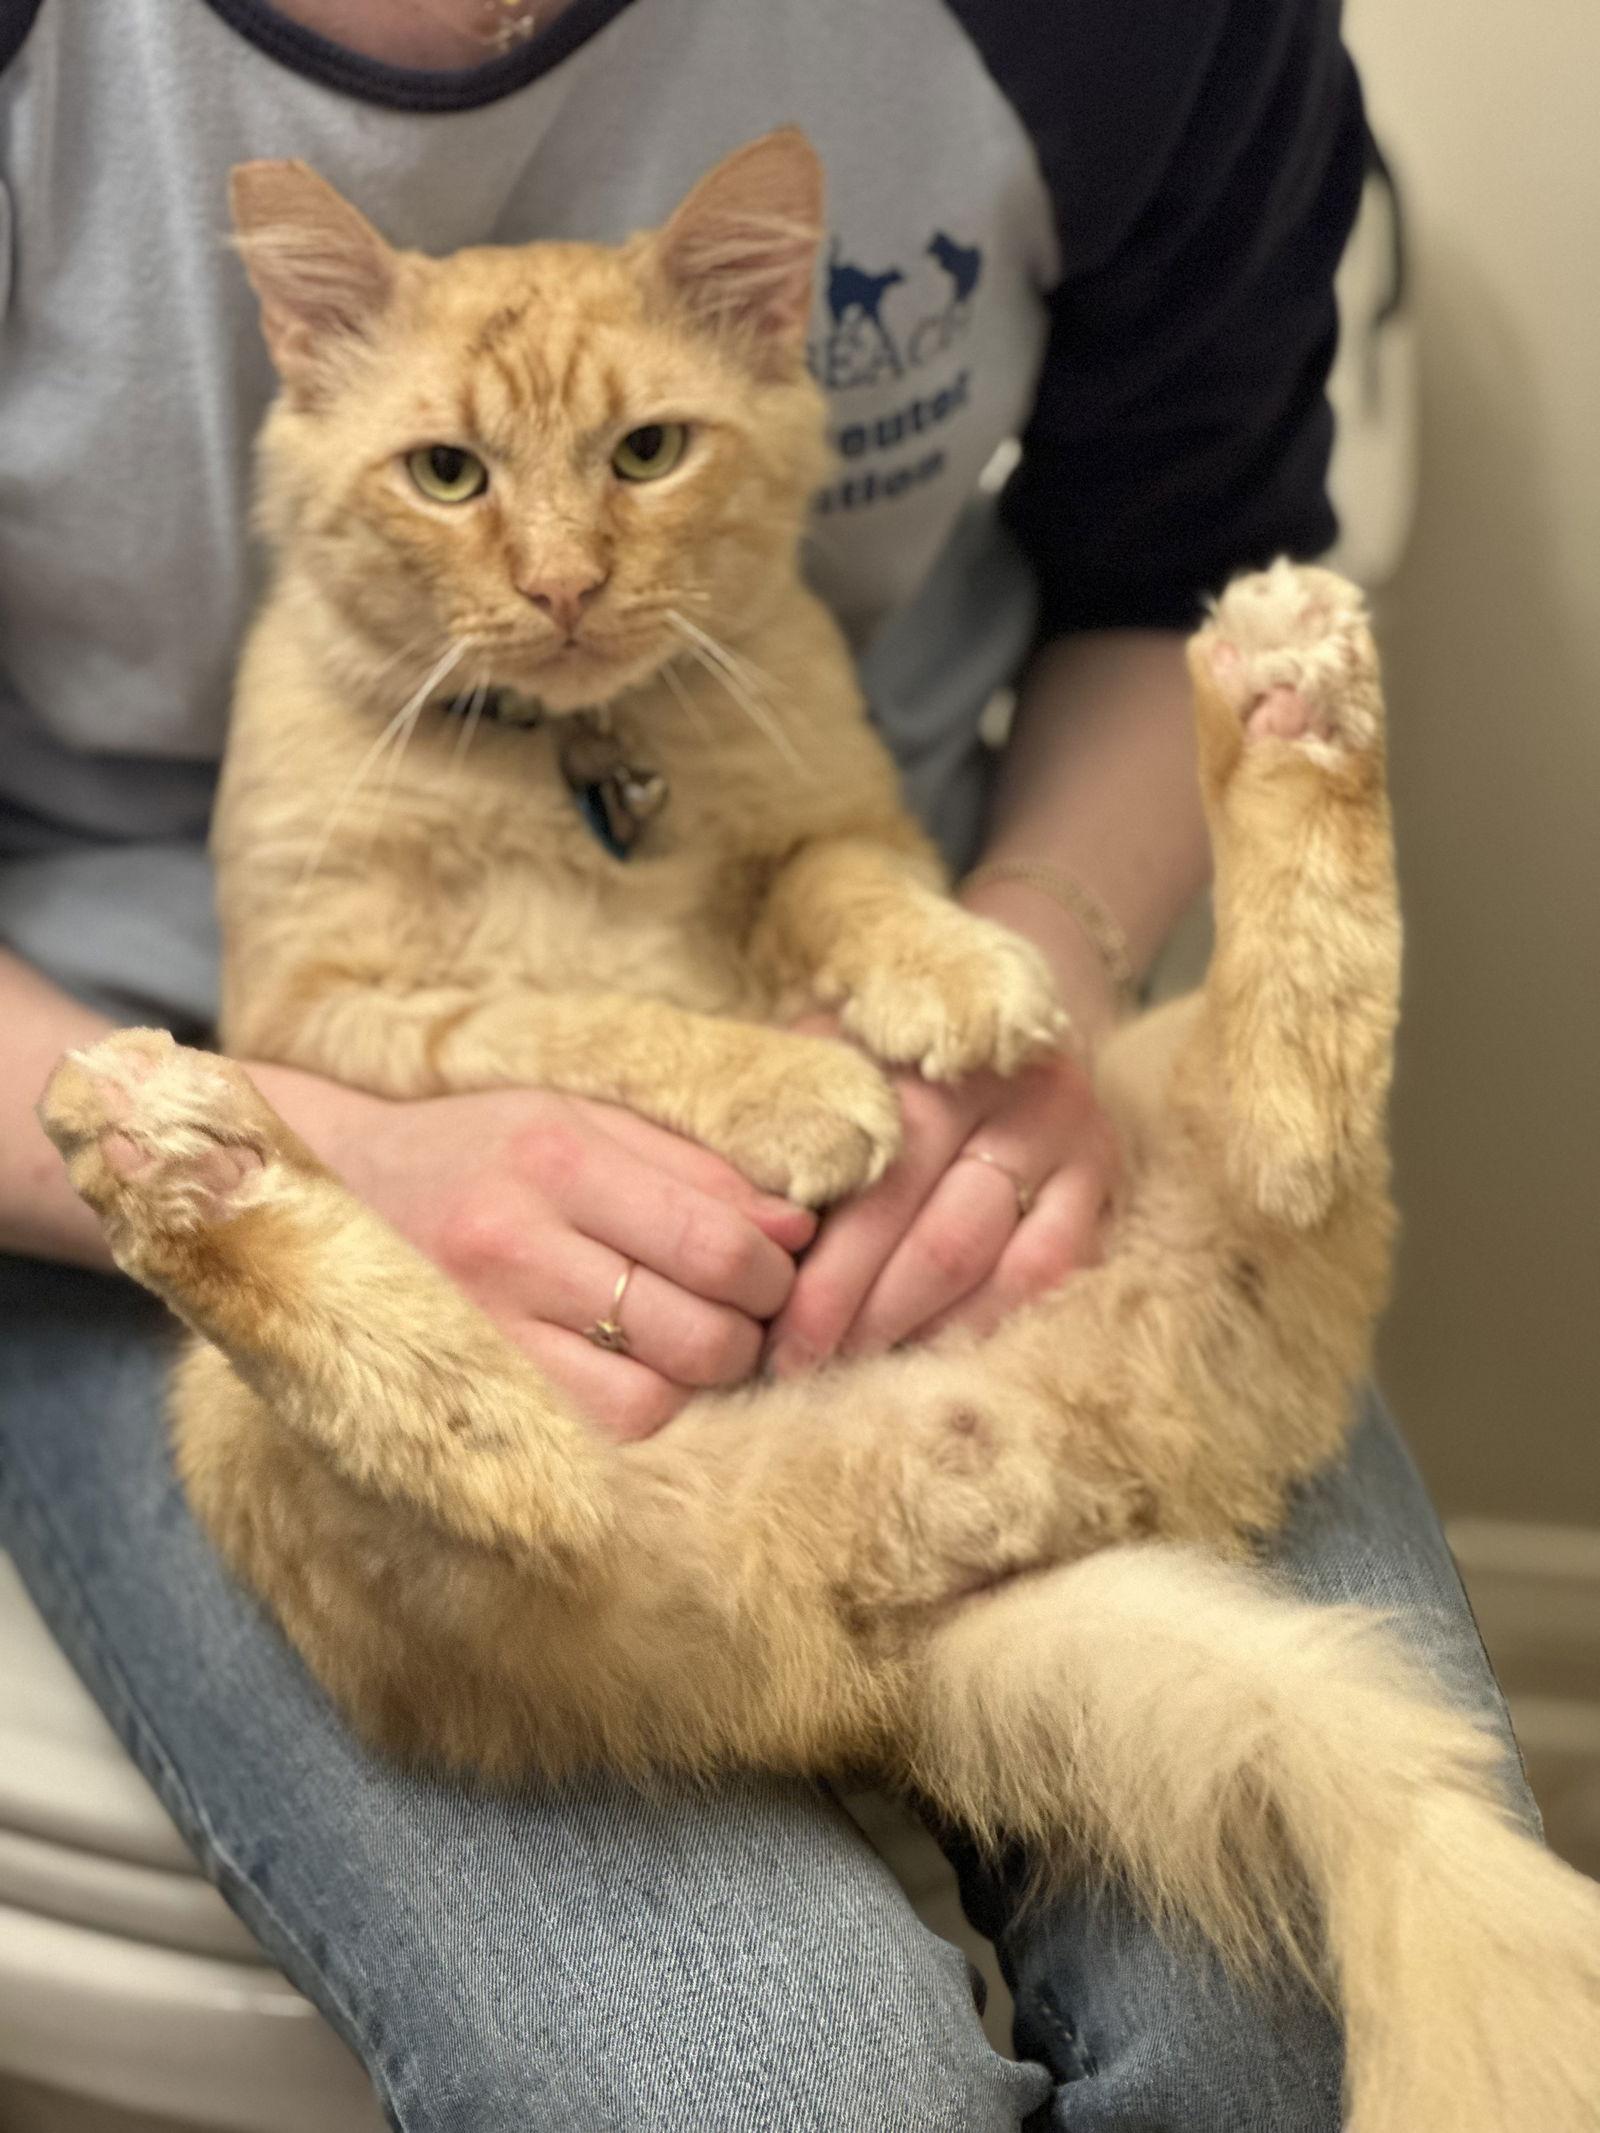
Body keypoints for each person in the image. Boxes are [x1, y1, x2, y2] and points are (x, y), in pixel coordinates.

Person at [0, 3, 1538, 2127]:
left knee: (1289, 2001)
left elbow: (1199, 545)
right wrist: (327, 1153)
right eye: (454, 479)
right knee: (795, 2089)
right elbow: (294, 1034)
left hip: (907, 1009)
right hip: (99, 1088)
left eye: (628, 462)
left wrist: (1036, 952)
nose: (551, 579)